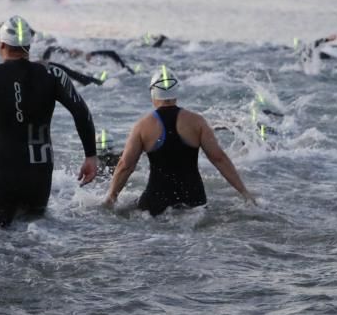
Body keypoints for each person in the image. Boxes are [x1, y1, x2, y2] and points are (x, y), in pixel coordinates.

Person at [0, 15, 98, 227]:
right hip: (38, 177)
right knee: (35, 235)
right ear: (29, 45)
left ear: (1, 45)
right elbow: (82, 112)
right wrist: (90, 156)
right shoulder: (54, 74)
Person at [103, 67, 255, 215]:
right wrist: (244, 192)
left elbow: (126, 166)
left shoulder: (143, 126)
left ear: (152, 93)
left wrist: (111, 197)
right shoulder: (197, 122)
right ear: (176, 91)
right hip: (195, 201)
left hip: (156, 204)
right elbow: (219, 158)